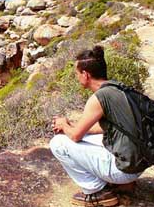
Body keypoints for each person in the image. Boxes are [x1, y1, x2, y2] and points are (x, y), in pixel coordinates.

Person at [49, 45, 142, 207]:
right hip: (139, 164)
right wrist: (73, 125)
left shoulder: (98, 98)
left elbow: (75, 136)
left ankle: (98, 193)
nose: (77, 78)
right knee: (88, 135)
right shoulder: (120, 89)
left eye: (77, 74)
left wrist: (64, 125)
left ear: (85, 75)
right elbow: (110, 127)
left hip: (124, 170)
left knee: (58, 143)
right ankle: (124, 183)